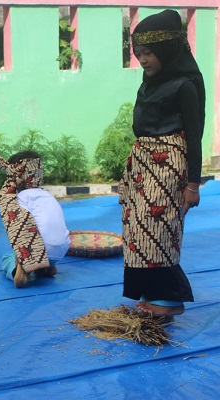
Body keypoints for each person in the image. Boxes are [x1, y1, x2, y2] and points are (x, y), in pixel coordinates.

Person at [120, 10, 205, 318]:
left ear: (168, 49)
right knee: (137, 230)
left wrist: (192, 186)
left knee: (159, 229)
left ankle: (170, 301)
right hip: (143, 165)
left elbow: (194, 138)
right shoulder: (150, 82)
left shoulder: (184, 85)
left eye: (149, 53)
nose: (143, 60)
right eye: (138, 53)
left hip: (167, 168)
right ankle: (151, 293)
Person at [0, 151, 70, 288]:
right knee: (46, 242)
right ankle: (49, 268)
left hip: (39, 248)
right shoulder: (48, 196)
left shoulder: (20, 198)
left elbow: (22, 228)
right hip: (61, 250)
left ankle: (20, 270)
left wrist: (21, 256)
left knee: (7, 258)